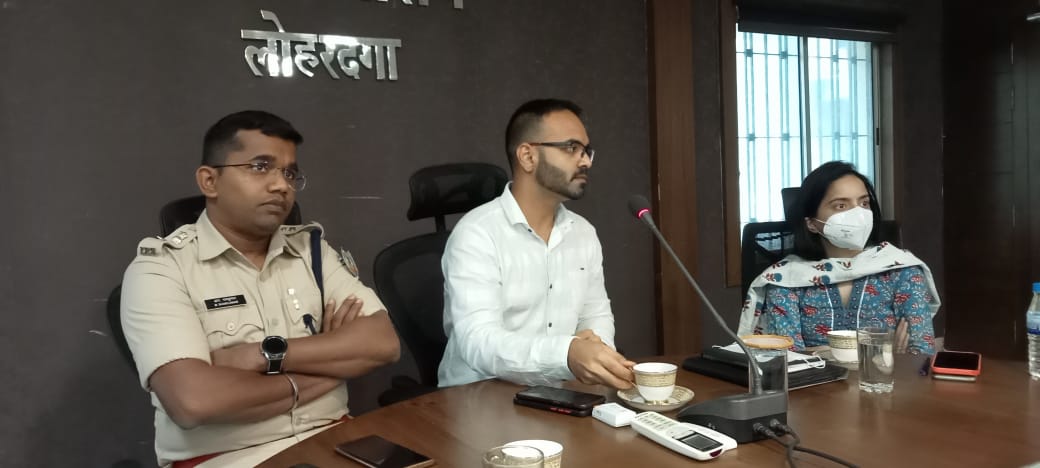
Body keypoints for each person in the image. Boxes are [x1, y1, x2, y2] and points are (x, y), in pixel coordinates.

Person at [120, 110, 400, 467]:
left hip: (334, 439)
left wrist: (262, 355)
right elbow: (194, 402)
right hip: (228, 458)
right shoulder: (160, 269)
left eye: (289, 173)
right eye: (260, 167)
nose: (281, 185)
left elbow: (382, 343)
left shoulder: (312, 251)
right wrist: (335, 365)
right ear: (209, 181)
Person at [436, 98, 635, 389]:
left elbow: (596, 314)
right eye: (571, 148)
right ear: (528, 157)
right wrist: (566, 353)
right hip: (480, 394)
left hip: (561, 392)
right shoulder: (477, 234)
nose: (586, 161)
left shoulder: (583, 232)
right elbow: (478, 342)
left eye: (586, 150)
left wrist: (597, 353)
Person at [736, 161, 940, 354]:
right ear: (811, 223)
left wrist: (817, 353)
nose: (858, 214)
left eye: (864, 203)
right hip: (816, 383)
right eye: (841, 206)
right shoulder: (785, 280)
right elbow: (789, 360)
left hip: (889, 380)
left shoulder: (902, 270)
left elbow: (919, 353)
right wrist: (881, 351)